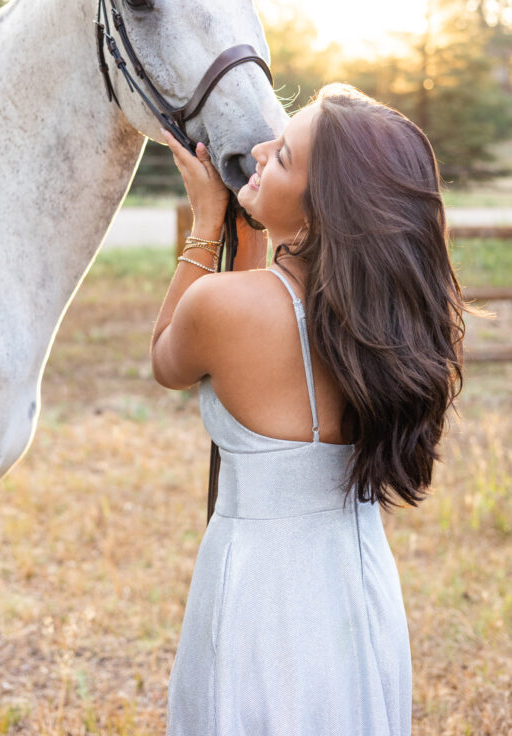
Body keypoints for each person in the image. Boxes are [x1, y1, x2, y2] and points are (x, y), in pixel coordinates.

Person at [151, 84, 465, 736]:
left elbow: (166, 361)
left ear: (326, 212)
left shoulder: (222, 309)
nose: (260, 150)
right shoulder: (385, 324)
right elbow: (274, 310)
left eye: (285, 158)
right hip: (356, 586)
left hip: (257, 597)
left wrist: (208, 223)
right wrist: (256, 228)